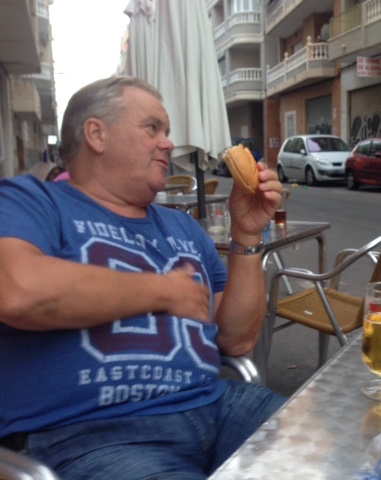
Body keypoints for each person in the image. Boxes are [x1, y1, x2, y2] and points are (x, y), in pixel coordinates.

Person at [0, 76, 285, 479]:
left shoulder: (183, 227)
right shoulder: (30, 201)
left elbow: (236, 339)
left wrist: (247, 234)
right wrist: (162, 291)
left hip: (217, 406)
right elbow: (17, 290)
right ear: (97, 134)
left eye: (167, 131)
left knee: (332, 454)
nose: (168, 143)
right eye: (153, 128)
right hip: (90, 432)